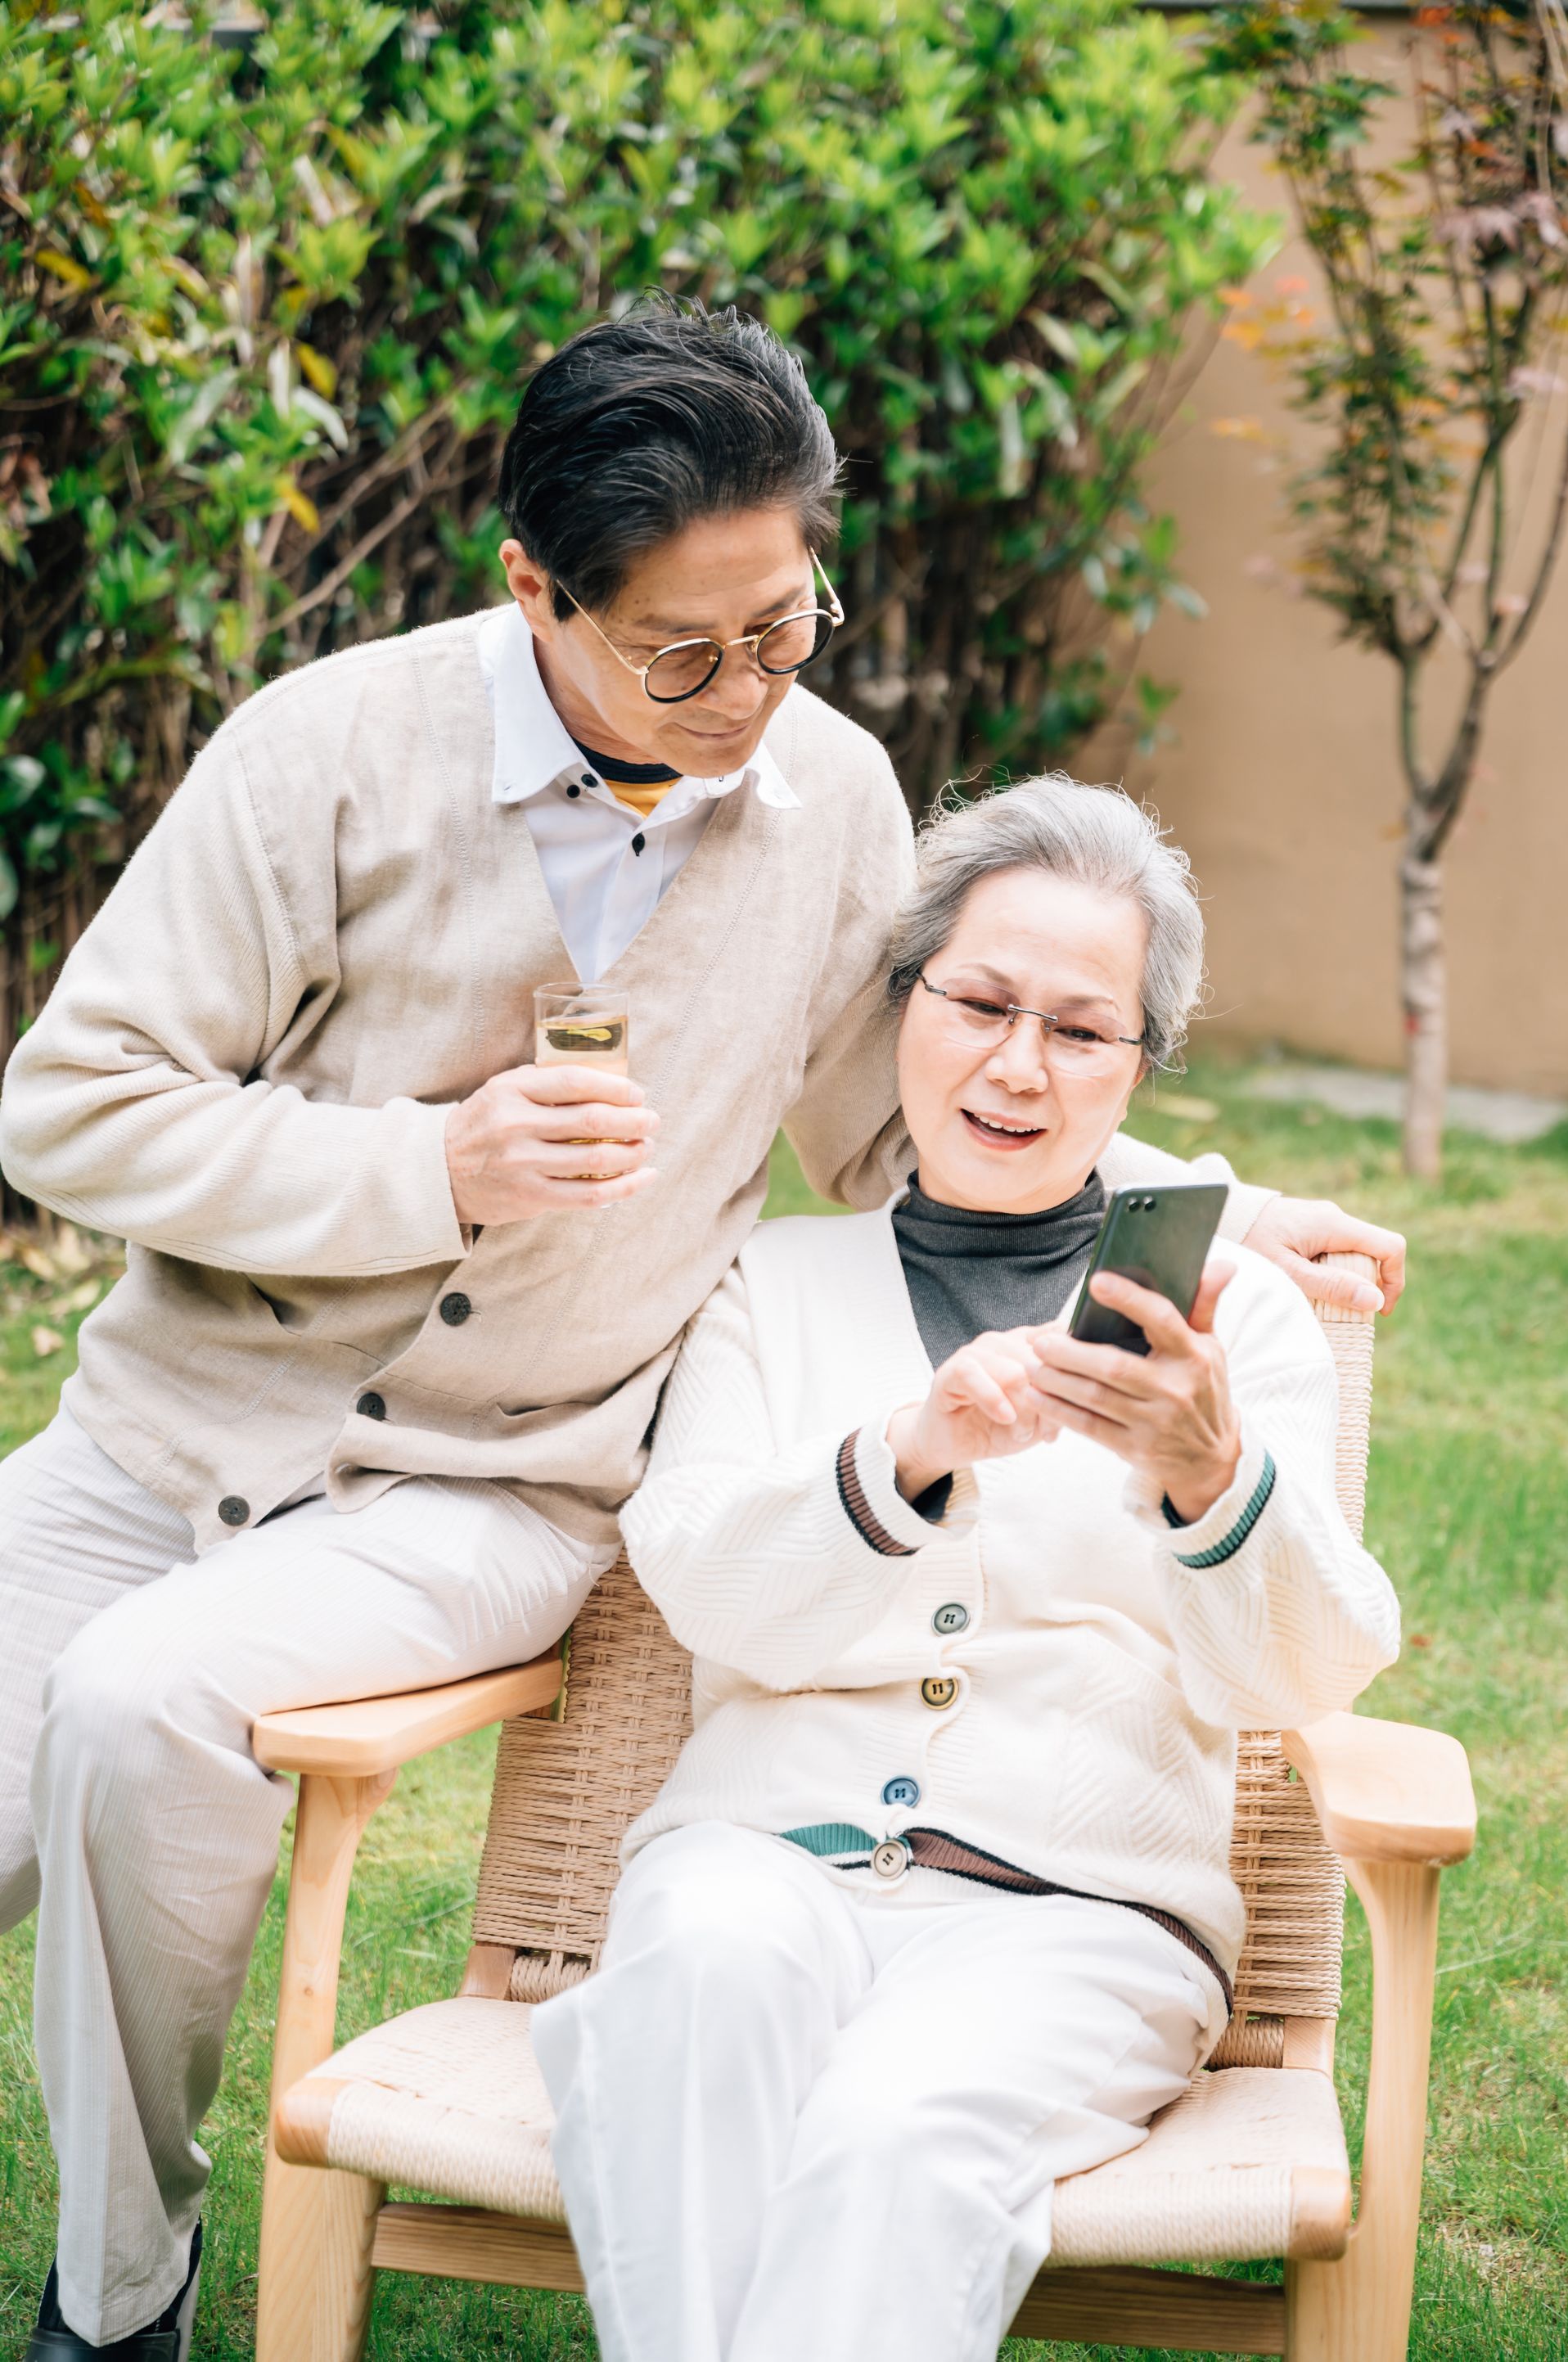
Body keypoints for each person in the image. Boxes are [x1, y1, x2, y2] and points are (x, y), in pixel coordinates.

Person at [0, 300, 1400, 2360]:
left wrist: (1217, 1209)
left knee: (135, 1714)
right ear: (533, 592)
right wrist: (431, 1170)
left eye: (789, 624)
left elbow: (890, 1114)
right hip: (156, 1443)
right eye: (685, 650)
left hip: (484, 1486)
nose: (751, 688)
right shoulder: (326, 751)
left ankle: (112, 2297)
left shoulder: (830, 801)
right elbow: (72, 1104)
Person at [532, 776, 1402, 2362]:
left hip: (1080, 1920)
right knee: (690, 1996)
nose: (1019, 1066)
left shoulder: (1233, 1325)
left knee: (895, 2136)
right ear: (905, 1004)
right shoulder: (769, 1289)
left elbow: (1312, 1670)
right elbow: (702, 1579)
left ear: (1139, 1067)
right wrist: (906, 1450)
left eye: (1082, 1031)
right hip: (754, 1863)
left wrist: (1213, 1476)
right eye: (981, 1003)